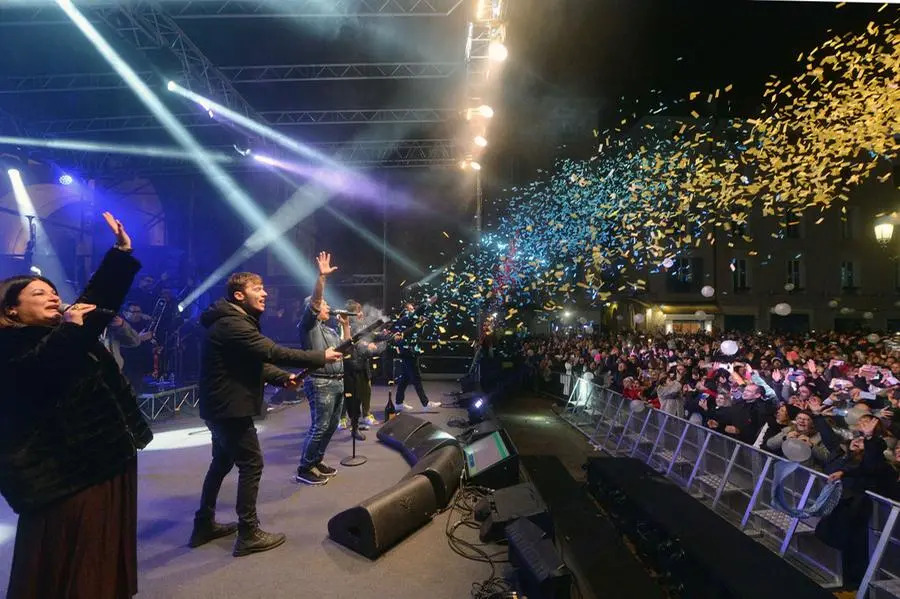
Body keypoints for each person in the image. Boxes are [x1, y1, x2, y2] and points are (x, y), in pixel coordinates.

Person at [0, 212, 153, 599]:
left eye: (53, 291)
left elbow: (93, 305)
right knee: (69, 556)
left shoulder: (61, 331)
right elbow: (41, 373)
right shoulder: (11, 343)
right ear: (10, 310)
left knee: (102, 550)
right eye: (38, 293)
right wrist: (70, 327)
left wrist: (120, 254)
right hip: (64, 474)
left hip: (104, 458)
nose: (52, 295)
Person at [193, 271, 342, 557]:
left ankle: (204, 524)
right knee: (252, 464)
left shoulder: (232, 321)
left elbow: (253, 364)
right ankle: (248, 533)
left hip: (220, 408)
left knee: (221, 463)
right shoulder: (232, 324)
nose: (265, 294)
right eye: (258, 289)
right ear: (239, 295)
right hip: (229, 409)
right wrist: (320, 357)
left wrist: (283, 379)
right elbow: (272, 352)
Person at [296, 252, 350, 485]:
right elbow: (316, 301)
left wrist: (346, 327)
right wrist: (322, 278)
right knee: (319, 426)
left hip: (337, 381)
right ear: (315, 309)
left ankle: (317, 460)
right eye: (325, 305)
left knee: (330, 427)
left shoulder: (328, 330)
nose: (328, 307)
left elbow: (345, 350)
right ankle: (304, 467)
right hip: (320, 382)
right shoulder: (308, 327)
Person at [340, 299, 386, 440]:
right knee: (348, 394)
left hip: (363, 364)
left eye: (360, 310)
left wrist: (383, 335)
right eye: (357, 311)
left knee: (365, 390)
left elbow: (371, 337)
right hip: (350, 365)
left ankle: (365, 415)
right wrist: (366, 345)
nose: (360, 313)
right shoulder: (346, 326)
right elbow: (349, 343)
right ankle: (342, 418)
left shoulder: (363, 325)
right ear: (350, 314)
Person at [393, 301, 441, 411]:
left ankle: (398, 403)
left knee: (404, 379)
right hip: (407, 352)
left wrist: (420, 323)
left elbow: (413, 329)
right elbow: (410, 330)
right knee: (416, 378)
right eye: (411, 308)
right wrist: (427, 303)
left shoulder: (408, 320)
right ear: (405, 310)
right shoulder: (404, 319)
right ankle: (425, 403)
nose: (413, 310)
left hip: (408, 352)